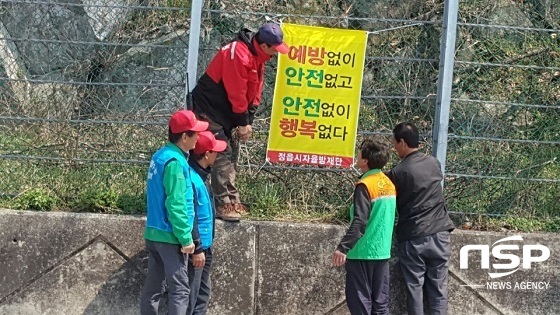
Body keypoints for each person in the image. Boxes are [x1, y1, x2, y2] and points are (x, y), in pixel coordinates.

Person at [192, 22, 290, 221]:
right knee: (220, 153)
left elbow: (255, 91)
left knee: (231, 153)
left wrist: (248, 120)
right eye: (275, 50)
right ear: (264, 46)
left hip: (227, 112)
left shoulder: (257, 57)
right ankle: (224, 204)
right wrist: (242, 122)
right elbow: (236, 93)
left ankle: (232, 199)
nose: (276, 55)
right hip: (209, 109)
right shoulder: (238, 54)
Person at [140, 110, 209, 315]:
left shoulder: (160, 156)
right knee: (180, 290)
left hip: (153, 233)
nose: (199, 137)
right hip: (171, 236)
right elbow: (177, 204)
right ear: (184, 137)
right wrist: (186, 239)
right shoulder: (175, 163)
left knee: (153, 289)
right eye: (195, 133)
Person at [385, 122, 455, 315]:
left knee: (414, 288)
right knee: (439, 289)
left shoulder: (398, 172)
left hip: (414, 236)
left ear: (402, 142)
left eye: (395, 143)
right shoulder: (434, 163)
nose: (394, 147)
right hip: (440, 233)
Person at [332, 139, 396, 315]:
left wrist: (343, 248)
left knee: (360, 303)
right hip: (382, 251)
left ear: (365, 161)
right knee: (380, 304)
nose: (357, 155)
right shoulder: (388, 184)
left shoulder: (365, 185)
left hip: (362, 252)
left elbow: (360, 221)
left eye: (360, 153)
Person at [186, 131, 227, 315]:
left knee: (202, 294)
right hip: (197, 249)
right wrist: (198, 248)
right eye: (215, 151)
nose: (217, 155)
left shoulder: (201, 176)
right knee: (190, 296)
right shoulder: (191, 179)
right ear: (207, 154)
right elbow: (190, 216)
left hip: (205, 246)